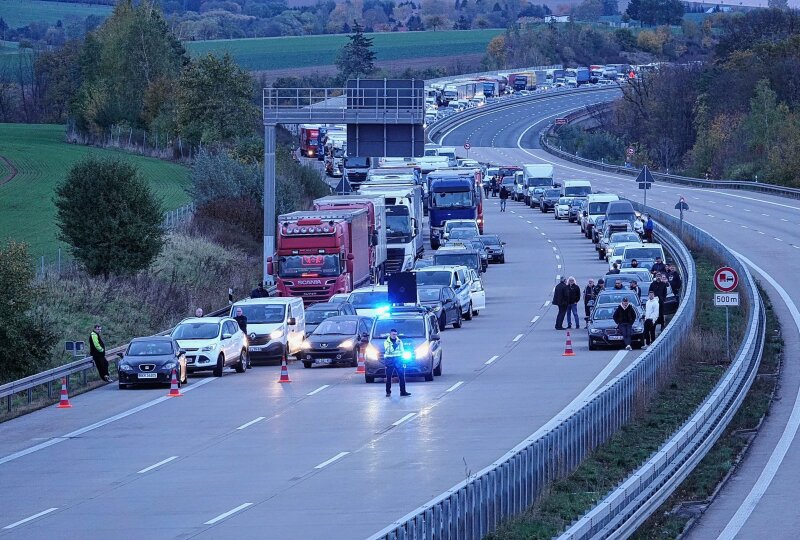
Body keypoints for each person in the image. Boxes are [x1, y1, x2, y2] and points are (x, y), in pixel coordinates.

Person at [383, 329, 410, 397]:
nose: (395, 336)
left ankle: (403, 392)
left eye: (395, 334)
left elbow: (402, 351)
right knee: (389, 377)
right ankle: (388, 392)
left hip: (398, 359)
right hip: (389, 360)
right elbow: (389, 351)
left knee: (401, 376)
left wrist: (403, 360)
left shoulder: (399, 341)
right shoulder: (386, 342)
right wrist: (395, 345)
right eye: (393, 334)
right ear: (390, 334)